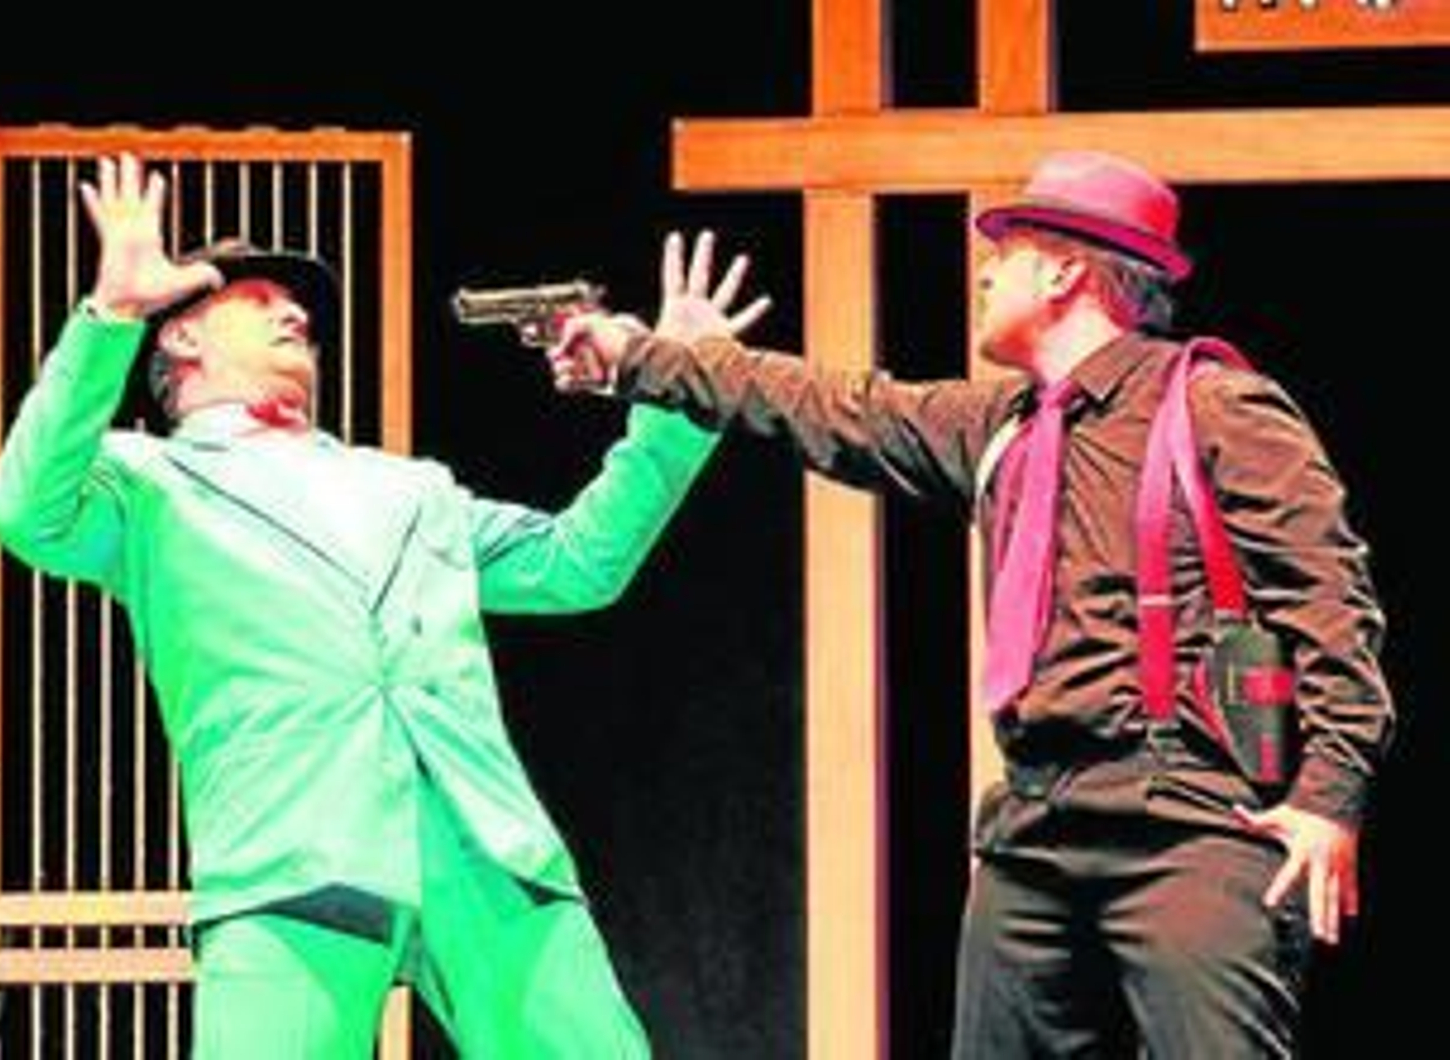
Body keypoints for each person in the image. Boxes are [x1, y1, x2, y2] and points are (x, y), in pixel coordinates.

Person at [547, 152, 1395, 1057]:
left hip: (1188, 822)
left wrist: (1327, 798)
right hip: (1035, 820)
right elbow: (835, 407)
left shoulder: (1220, 408)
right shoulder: (1001, 427)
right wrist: (644, 359)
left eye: (1008, 252)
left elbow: (1332, 605)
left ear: (1066, 272)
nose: (986, 273)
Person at [0, 152, 768, 1060]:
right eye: (259, 297)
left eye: (300, 309)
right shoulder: (149, 482)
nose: (295, 314)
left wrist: (677, 389)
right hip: (291, 849)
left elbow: (578, 563)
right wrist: (111, 315)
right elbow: (24, 511)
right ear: (182, 336)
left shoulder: (409, 488)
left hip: (485, 845)